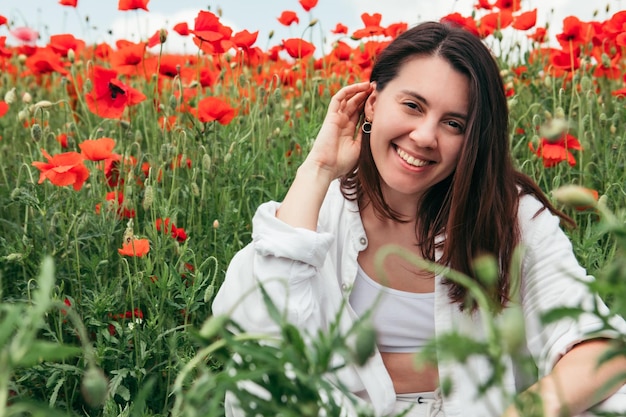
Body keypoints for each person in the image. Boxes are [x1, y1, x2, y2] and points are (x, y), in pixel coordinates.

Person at [212, 21, 626, 416]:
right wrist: (317, 168)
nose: (426, 136)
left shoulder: (509, 215)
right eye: (412, 105)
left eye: (453, 123)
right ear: (372, 103)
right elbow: (258, 340)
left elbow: (605, 351)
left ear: (473, 140)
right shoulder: (321, 207)